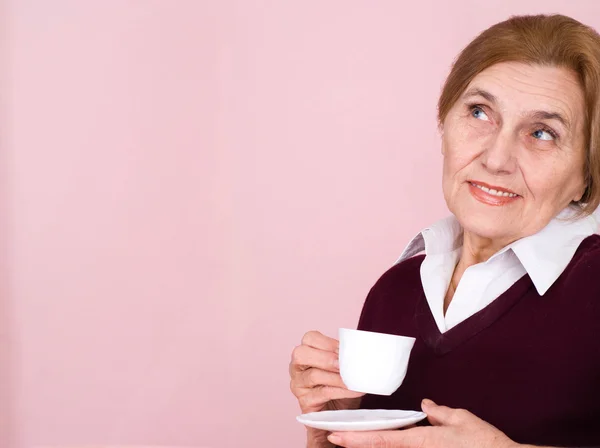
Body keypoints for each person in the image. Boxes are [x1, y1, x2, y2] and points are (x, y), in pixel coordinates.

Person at [289, 13, 600, 448]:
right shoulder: (394, 290)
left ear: (586, 173)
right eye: (479, 112)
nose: (496, 159)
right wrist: (331, 432)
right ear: (444, 124)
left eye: (543, 133)